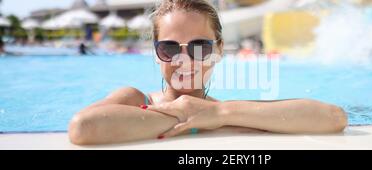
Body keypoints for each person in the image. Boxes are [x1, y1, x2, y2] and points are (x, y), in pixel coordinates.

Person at [68, 0, 347, 145]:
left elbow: (333, 117)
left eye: (200, 47)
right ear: (156, 52)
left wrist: (219, 114)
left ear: (219, 49)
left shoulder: (226, 110)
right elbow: (84, 127)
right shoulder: (135, 99)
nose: (185, 60)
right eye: (169, 48)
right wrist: (195, 116)